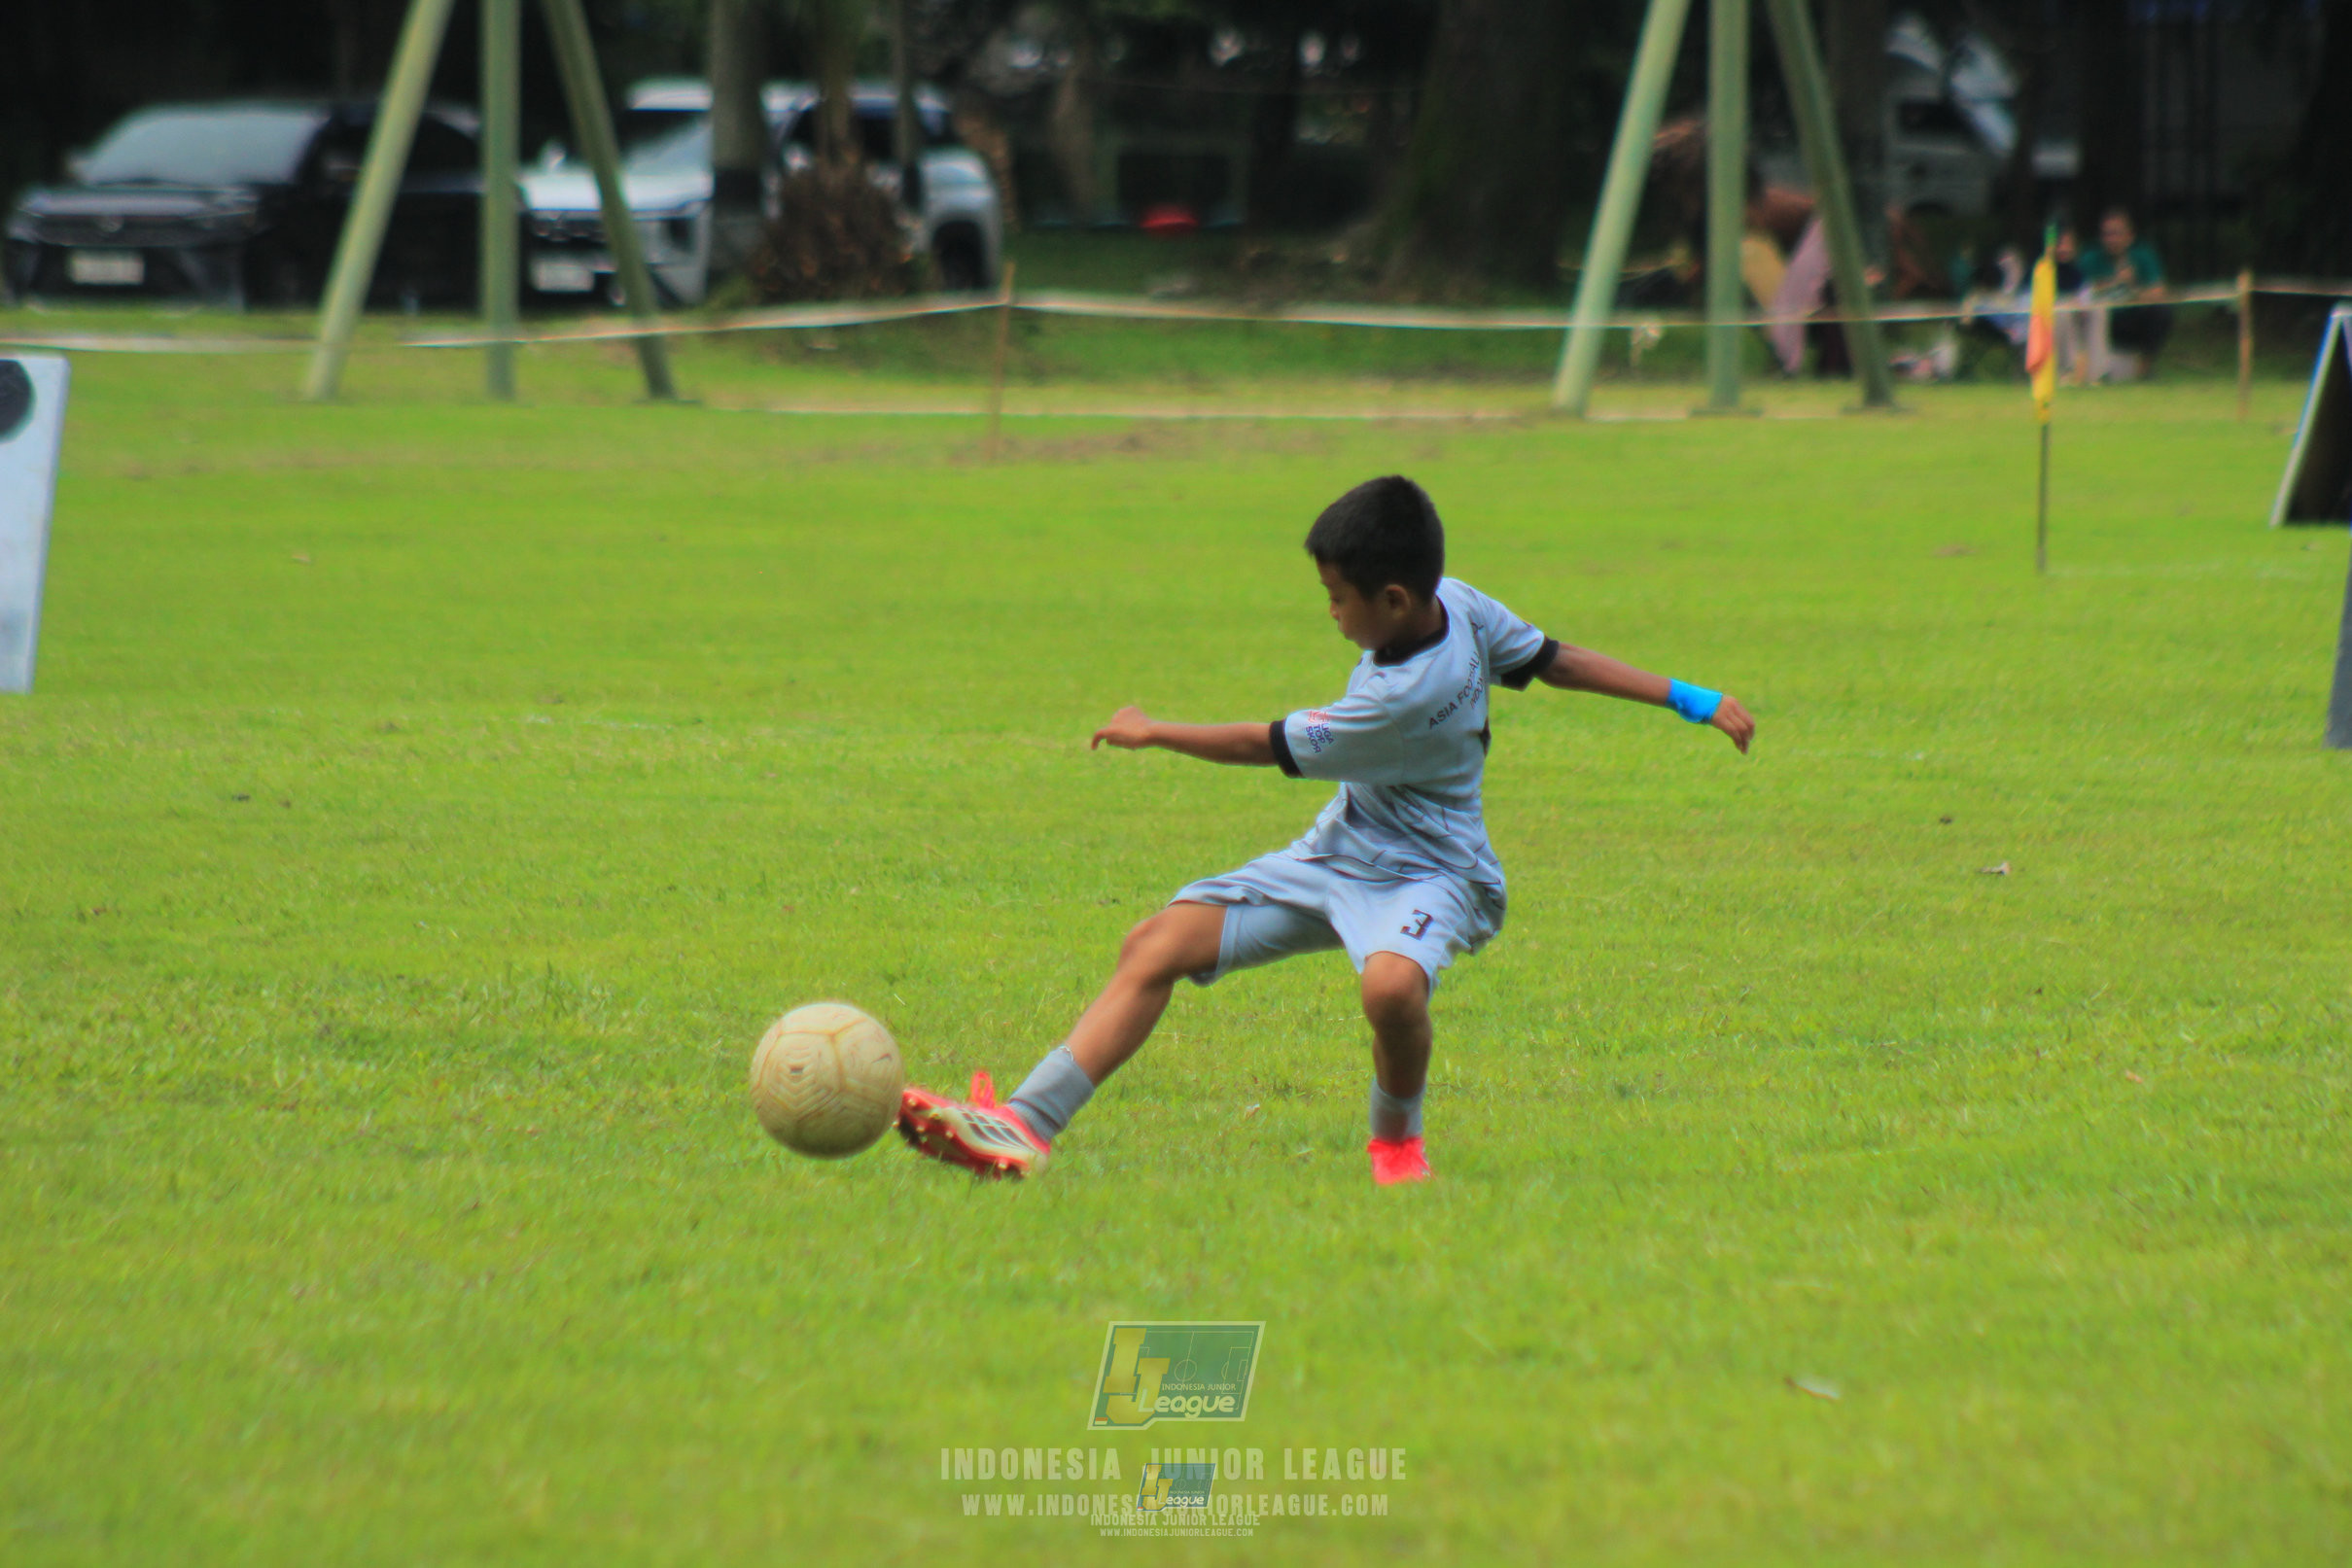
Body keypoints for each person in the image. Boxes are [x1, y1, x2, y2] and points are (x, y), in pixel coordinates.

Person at [895, 476, 1756, 1186]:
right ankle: (1022, 1125)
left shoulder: (1398, 695)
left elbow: (1262, 745)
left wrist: (1155, 731)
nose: (1331, 615)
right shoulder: (1446, 601)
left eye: (1337, 599)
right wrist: (1689, 699)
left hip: (1435, 872)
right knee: (1154, 943)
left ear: (1392, 596)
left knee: (1389, 991)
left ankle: (1396, 1145)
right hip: (1339, 852)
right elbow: (1552, 661)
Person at [2080, 208, 2172, 371]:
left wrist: (2133, 287)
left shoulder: (2143, 255)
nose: (2111, 239)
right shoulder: (2091, 258)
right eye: (2106, 234)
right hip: (2104, 317)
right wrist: (2114, 282)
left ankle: (2144, 366)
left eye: (2116, 234)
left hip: (2132, 315)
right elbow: (2081, 293)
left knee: (2161, 312)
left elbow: (2159, 292)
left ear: (2130, 236)